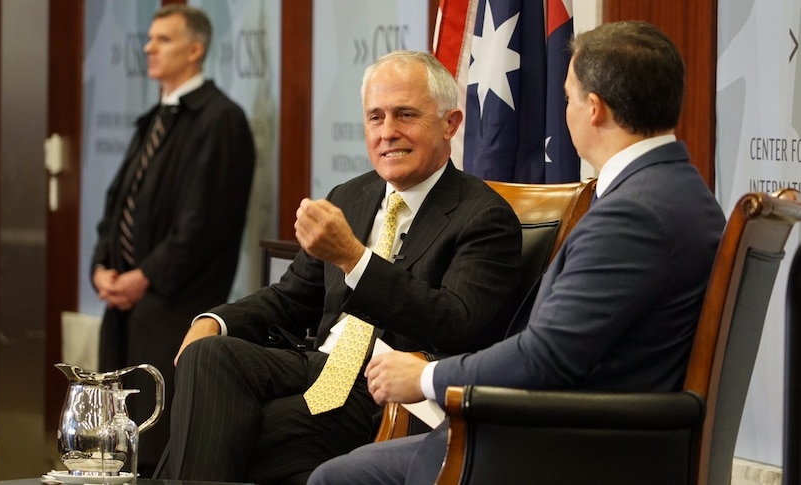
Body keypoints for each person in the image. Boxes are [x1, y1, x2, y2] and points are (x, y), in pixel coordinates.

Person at [308, 20, 727, 485]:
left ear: (594, 109)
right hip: (596, 431)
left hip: (569, 448)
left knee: (336, 478)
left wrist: (424, 377)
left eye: (566, 97)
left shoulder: (634, 215)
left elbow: (543, 359)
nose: (563, 109)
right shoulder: (681, 190)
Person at [152, 50, 523, 484]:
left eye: (405, 115)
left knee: (217, 430)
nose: (388, 132)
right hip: (316, 368)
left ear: (450, 124)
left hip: (383, 392)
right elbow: (290, 298)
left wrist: (354, 257)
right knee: (208, 355)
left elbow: (455, 323)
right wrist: (214, 320)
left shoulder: (484, 217)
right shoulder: (352, 195)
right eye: (375, 117)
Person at [90, 4, 255, 476]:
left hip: (175, 307)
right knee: (114, 443)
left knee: (154, 440)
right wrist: (102, 267)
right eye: (149, 38)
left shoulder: (221, 120)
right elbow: (117, 204)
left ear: (196, 49)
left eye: (162, 39)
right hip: (124, 308)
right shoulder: (153, 119)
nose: (148, 47)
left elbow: (202, 225)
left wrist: (146, 276)